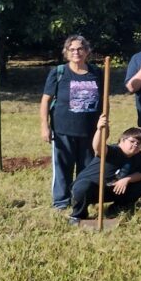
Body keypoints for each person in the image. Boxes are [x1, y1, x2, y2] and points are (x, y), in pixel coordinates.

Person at [39, 35, 102, 210]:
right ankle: (61, 202)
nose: (76, 52)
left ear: (87, 51)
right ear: (66, 52)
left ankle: (81, 199)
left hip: (90, 131)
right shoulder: (59, 72)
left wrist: (104, 124)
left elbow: (104, 100)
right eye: (72, 49)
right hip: (63, 130)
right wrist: (44, 125)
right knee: (63, 169)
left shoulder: (96, 72)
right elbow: (45, 100)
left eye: (80, 48)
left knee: (87, 169)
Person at [68, 115, 141, 225]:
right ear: (122, 140)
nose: (135, 145)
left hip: (112, 189)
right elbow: (98, 147)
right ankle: (78, 215)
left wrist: (127, 179)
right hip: (91, 188)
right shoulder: (112, 151)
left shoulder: (138, 156)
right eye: (132, 141)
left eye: (139, 144)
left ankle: (116, 208)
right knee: (82, 188)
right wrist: (99, 130)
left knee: (139, 186)